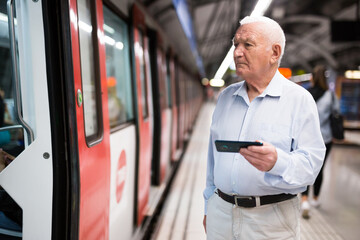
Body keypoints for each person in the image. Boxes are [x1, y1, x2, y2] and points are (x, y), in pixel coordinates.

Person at [203, 16, 326, 239]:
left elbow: (311, 167)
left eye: (247, 44)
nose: (237, 52)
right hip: (220, 214)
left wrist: (277, 162)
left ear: (275, 53)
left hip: (271, 221)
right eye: (235, 44)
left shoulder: (299, 100)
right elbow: (213, 162)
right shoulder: (225, 98)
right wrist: (208, 206)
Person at [301, 65, 339, 219]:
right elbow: (336, 112)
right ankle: (315, 199)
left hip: (305, 137)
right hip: (325, 137)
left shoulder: (306, 94)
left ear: (312, 77)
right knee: (319, 168)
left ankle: (304, 200)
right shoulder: (330, 95)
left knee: (304, 164)